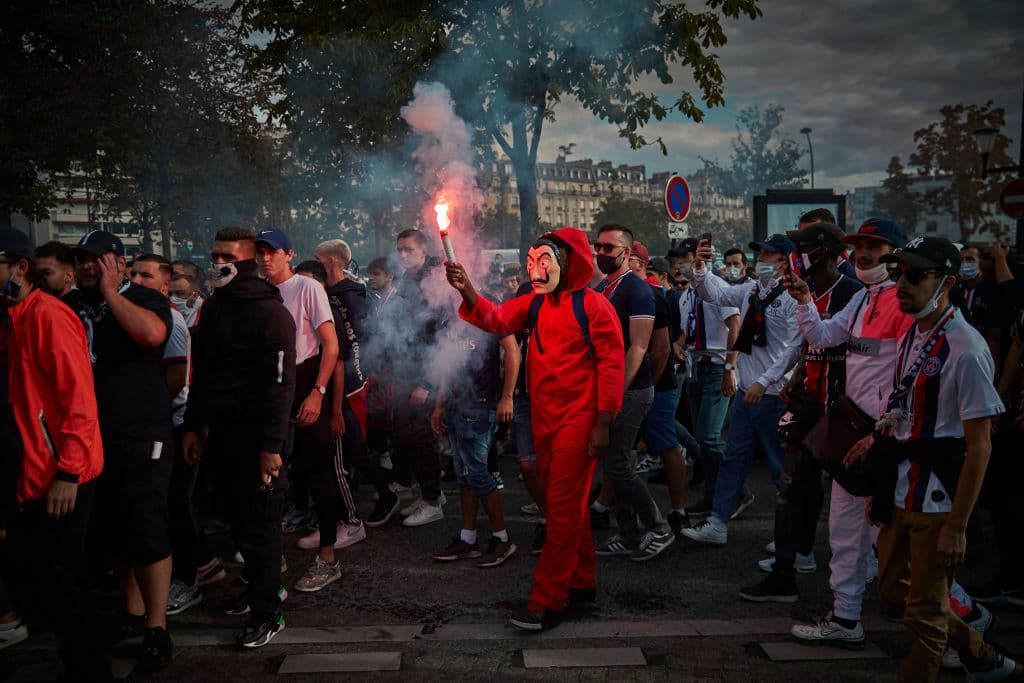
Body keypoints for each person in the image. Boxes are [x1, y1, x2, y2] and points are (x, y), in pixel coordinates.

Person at [445, 227, 624, 630]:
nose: (535, 269)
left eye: (544, 262)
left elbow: (612, 366)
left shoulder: (594, 306)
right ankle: (582, 583)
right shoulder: (536, 305)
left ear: (566, 263)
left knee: (560, 511)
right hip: (545, 417)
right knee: (569, 509)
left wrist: (603, 423)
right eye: (531, 263)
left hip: (579, 422)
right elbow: (494, 318)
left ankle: (547, 600)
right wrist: (467, 289)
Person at [865, 237, 1020, 682]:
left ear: (946, 282)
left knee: (926, 620)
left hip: (937, 497)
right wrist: (876, 438)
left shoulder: (966, 348)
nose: (902, 284)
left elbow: (981, 445)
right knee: (894, 594)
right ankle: (982, 655)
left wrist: (957, 526)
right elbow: (904, 406)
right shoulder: (913, 330)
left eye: (916, 275)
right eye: (899, 274)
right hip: (900, 485)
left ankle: (973, 657)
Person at [0, 227, 111, 679]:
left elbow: (78, 398)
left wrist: (67, 471)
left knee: (63, 583)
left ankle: (91, 671)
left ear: (19, 269)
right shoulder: (13, 317)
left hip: (60, 477)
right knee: (45, 581)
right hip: (30, 475)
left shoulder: (47, 316)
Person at [183, 227, 296, 648]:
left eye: (224, 256)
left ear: (246, 262)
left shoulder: (271, 314)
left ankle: (268, 612)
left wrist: (271, 447)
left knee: (261, 529)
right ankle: (260, 591)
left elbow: (281, 385)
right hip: (223, 438)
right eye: (213, 256)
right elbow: (204, 374)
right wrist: (194, 425)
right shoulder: (214, 309)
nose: (215, 264)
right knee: (232, 523)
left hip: (261, 442)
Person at [739, 223, 862, 603]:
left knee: (854, 495)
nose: (792, 257)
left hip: (844, 409)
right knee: (791, 490)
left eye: (799, 248)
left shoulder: (851, 293)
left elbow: (863, 350)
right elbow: (805, 342)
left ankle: (862, 579)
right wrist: (793, 375)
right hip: (809, 401)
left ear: (821, 251)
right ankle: (785, 572)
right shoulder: (804, 291)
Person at [69, 230, 174, 672]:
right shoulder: (73, 304)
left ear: (119, 262)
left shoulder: (146, 298)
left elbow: (152, 335)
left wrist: (113, 293)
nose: (88, 266)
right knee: (113, 526)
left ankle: (157, 626)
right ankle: (130, 613)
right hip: (95, 433)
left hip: (142, 431)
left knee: (146, 522)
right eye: (82, 259)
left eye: (98, 258)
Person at [681, 234, 801, 546]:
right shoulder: (750, 290)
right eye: (760, 254)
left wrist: (766, 382)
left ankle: (787, 535)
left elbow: (793, 348)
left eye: (769, 255)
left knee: (780, 469)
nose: (761, 260)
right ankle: (718, 522)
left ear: (784, 263)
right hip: (748, 394)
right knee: (733, 460)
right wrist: (700, 269)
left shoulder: (792, 297)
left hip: (773, 395)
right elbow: (714, 295)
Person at [254, 228, 353, 595]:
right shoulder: (259, 293)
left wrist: (319, 394)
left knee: (318, 474)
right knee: (271, 475)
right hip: (272, 387)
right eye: (260, 252)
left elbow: (330, 346)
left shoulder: (308, 288)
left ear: (288, 254)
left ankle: (328, 558)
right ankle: (270, 556)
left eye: (272, 251)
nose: (266, 258)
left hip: (307, 380)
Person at [591, 224, 675, 561]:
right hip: (610, 389)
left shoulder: (638, 290)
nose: (601, 252)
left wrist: (613, 394)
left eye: (608, 248)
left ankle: (659, 526)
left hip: (628, 390)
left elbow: (640, 348)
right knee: (613, 465)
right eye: (598, 246)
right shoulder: (604, 287)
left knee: (620, 465)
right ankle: (627, 534)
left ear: (626, 253)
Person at [315, 239, 399, 528]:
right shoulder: (336, 292)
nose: (316, 266)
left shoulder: (350, 295)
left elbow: (357, 340)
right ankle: (374, 493)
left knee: (349, 443)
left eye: (319, 260)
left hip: (349, 379)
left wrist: (358, 374)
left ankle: (376, 498)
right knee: (349, 444)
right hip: (343, 376)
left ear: (333, 261)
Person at [430, 317, 520, 567]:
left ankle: (501, 538)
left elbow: (512, 349)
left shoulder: (488, 308)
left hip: (480, 406)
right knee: (464, 475)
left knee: (478, 473)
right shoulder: (447, 312)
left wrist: (507, 397)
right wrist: (439, 404)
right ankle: (468, 539)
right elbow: (446, 364)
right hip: (455, 406)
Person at [673, 241, 741, 521]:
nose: (681, 264)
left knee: (709, 437)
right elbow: (685, 330)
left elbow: (735, 329)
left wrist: (729, 368)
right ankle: (719, 494)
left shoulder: (719, 288)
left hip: (716, 367)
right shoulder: (686, 294)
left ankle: (730, 492)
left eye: (686, 259)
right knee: (704, 438)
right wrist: (678, 345)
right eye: (677, 260)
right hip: (695, 367)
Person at [391, 229, 449, 527]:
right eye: (399, 249)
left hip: (428, 371)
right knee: (407, 435)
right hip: (408, 366)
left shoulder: (435, 280)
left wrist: (427, 383)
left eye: (408, 249)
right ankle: (429, 493)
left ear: (423, 251)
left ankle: (432, 500)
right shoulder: (404, 281)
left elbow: (443, 336)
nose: (402, 254)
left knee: (423, 435)